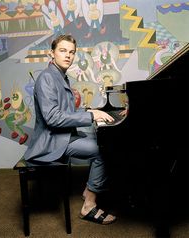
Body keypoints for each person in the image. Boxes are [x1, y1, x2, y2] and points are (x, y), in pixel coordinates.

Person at [24, 34, 116, 224]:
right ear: (52, 53)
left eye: (72, 52)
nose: (68, 55)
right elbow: (53, 118)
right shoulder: (47, 78)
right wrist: (91, 116)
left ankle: (90, 188)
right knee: (103, 151)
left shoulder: (59, 76)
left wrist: (90, 110)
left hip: (61, 136)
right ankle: (89, 206)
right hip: (51, 141)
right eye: (63, 51)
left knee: (100, 137)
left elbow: (65, 111)